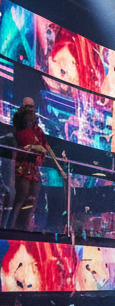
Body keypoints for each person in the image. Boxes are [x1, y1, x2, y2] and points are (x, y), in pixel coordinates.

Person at [8, 98, 50, 230]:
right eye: (28, 108)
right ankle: (10, 228)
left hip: (33, 168)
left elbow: (42, 145)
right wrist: (34, 148)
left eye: (32, 108)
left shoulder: (37, 129)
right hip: (22, 167)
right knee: (20, 198)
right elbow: (22, 141)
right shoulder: (20, 121)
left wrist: (40, 150)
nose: (31, 111)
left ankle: (24, 230)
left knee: (32, 200)